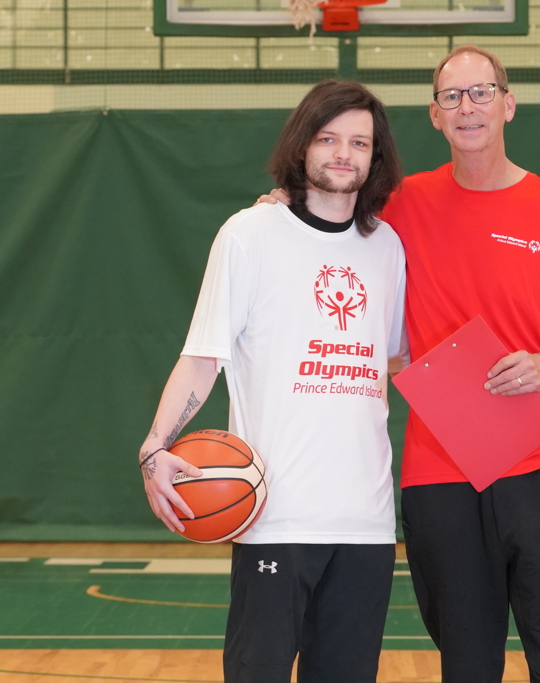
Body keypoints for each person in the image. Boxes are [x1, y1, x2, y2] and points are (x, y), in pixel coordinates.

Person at [260, 46, 540, 683]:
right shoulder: (399, 209)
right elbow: (327, 220)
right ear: (435, 115)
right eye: (452, 97)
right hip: (440, 480)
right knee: (466, 665)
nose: (468, 107)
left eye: (481, 92)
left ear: (507, 104)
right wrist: (282, 212)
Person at [138, 80, 407, 683]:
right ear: (302, 145)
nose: (343, 153)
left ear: (376, 156)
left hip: (366, 523)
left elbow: (389, 359)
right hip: (275, 516)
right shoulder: (249, 235)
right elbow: (203, 356)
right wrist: (155, 446)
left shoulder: (387, 247)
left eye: (359, 142)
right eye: (328, 138)